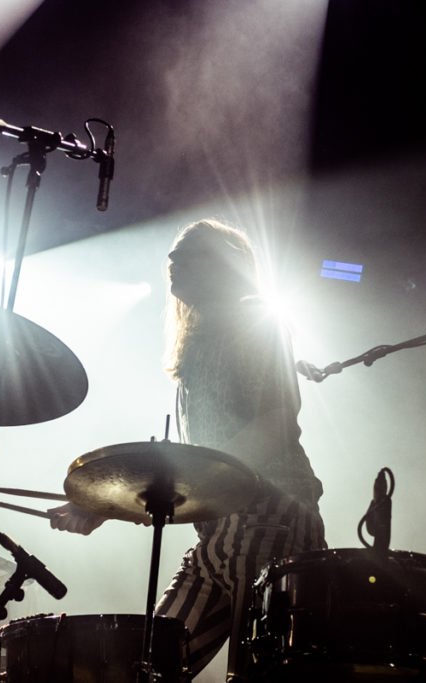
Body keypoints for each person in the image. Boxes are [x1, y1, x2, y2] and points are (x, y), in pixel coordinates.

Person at [49, 219, 325, 679]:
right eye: (173, 255)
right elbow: (196, 478)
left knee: (252, 671)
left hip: (269, 520)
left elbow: (277, 421)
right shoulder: (196, 349)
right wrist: (105, 506)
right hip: (217, 535)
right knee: (149, 667)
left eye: (189, 253)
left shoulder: (254, 321)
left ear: (224, 265)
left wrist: (203, 480)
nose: (173, 261)